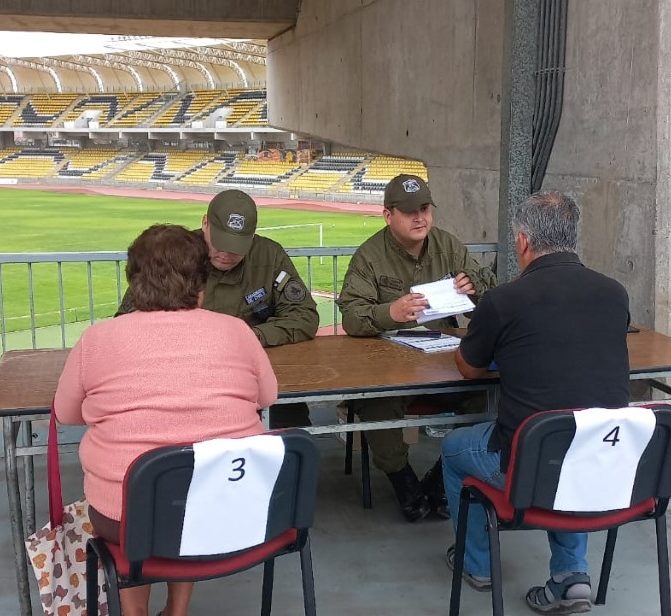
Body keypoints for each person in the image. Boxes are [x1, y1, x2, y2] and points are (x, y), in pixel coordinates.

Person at [55, 224, 278, 616]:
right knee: (189, 477)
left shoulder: (97, 339)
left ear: (133, 280)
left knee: (165, 488)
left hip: (129, 516)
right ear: (201, 284)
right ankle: (176, 612)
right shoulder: (238, 331)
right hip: (231, 507)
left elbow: (66, 413)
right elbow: (269, 397)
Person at [441, 191, 630, 614]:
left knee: (454, 450)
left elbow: (469, 368)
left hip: (528, 464)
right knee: (577, 434)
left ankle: (477, 564)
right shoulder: (615, 294)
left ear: (523, 241)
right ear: (573, 237)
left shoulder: (503, 301)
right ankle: (571, 575)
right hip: (606, 462)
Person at [336, 174, 497, 522]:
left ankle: (442, 476)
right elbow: (351, 316)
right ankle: (402, 480)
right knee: (378, 404)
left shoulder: (449, 246)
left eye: (424, 209)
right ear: (387, 215)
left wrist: (475, 289)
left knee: (486, 395)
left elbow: (492, 294)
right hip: (389, 365)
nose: (419, 218)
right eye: (409, 211)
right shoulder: (370, 256)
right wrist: (388, 312)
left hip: (444, 361)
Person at [116, 189, 318, 429]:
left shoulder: (269, 255)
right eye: (220, 243)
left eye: (237, 246)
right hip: (183, 376)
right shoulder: (174, 256)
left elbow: (304, 315)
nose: (227, 254)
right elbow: (125, 321)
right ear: (205, 224)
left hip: (250, 371)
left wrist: (253, 337)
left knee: (293, 427)